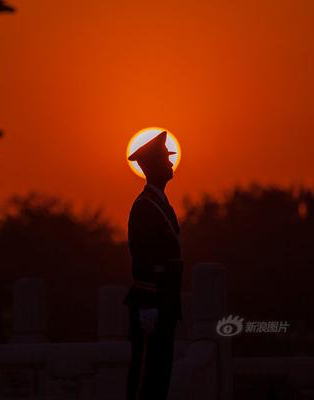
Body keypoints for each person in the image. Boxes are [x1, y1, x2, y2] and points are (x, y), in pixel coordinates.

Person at [124, 130, 183, 400]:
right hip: (153, 303)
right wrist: (148, 304)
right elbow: (143, 258)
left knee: (160, 379)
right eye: (165, 159)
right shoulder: (145, 207)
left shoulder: (160, 205)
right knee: (145, 381)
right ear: (152, 166)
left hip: (165, 304)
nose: (171, 164)